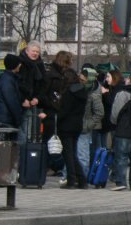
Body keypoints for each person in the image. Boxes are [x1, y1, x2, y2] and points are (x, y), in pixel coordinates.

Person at [37, 49, 75, 183]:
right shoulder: (58, 76)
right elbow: (44, 94)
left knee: (50, 141)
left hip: (51, 112)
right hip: (55, 112)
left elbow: (42, 94)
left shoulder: (51, 74)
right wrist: (53, 104)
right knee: (55, 142)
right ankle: (52, 167)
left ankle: (45, 169)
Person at [110, 72, 131, 191]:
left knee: (121, 158)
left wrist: (115, 123)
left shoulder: (123, 94)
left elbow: (115, 113)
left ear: (129, 80)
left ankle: (120, 182)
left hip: (123, 131)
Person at [57, 60, 88, 189]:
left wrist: (56, 117)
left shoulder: (68, 93)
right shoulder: (82, 91)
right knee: (73, 153)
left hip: (66, 126)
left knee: (68, 154)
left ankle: (72, 179)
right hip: (77, 125)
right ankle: (81, 180)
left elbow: (64, 111)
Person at [16, 41, 46, 143]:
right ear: (27, 51)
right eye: (33, 51)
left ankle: (27, 147)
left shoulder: (40, 65)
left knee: (29, 130)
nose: (35, 53)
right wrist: (23, 99)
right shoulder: (20, 64)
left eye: (37, 52)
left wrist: (37, 98)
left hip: (34, 101)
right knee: (23, 129)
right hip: (22, 102)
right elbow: (17, 84)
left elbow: (43, 84)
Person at [78, 67, 104, 177]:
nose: (80, 81)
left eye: (83, 80)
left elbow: (100, 113)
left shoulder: (94, 94)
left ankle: (84, 176)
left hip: (86, 127)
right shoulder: (84, 89)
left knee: (84, 154)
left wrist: (88, 125)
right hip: (80, 125)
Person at [0, 54, 24, 129]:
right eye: (19, 64)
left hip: (3, 119)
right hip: (5, 121)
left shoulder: (6, 78)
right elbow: (12, 101)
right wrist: (18, 119)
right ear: (15, 65)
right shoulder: (7, 80)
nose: (20, 66)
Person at [100, 69, 122, 151]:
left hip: (115, 122)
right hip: (109, 121)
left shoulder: (119, 89)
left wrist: (105, 93)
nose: (106, 79)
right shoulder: (110, 87)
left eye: (108, 77)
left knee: (115, 145)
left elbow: (112, 101)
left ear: (114, 77)